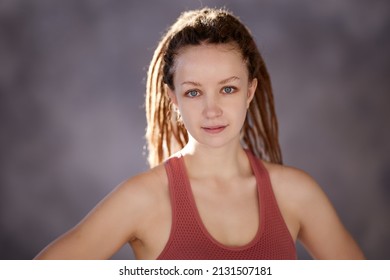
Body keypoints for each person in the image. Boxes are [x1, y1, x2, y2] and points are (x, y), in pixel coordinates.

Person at [34, 7, 364, 260]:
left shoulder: (296, 193)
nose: (212, 109)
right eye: (193, 92)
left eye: (228, 89)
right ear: (173, 97)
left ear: (250, 91)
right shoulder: (142, 200)